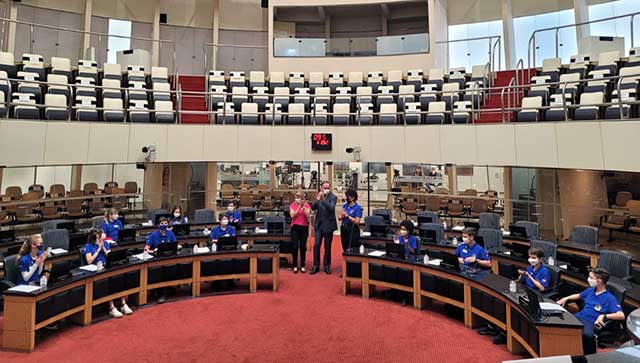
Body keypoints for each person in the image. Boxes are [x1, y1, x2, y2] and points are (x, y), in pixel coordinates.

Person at [557, 268, 625, 354]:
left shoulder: (609, 298)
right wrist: (565, 299)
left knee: (587, 336)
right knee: (560, 324)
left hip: (590, 322)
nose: (588, 279)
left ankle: (589, 356)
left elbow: (621, 315)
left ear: (599, 281)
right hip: (579, 316)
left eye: (591, 278)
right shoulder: (590, 290)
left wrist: (604, 316)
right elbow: (578, 295)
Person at [84, 228, 132, 318]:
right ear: (96, 236)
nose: (103, 234)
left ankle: (123, 304)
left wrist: (104, 248)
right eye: (101, 233)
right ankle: (112, 308)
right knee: (109, 281)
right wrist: (98, 249)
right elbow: (89, 261)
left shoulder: (105, 243)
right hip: (96, 269)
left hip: (107, 267)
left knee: (119, 277)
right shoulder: (88, 246)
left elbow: (110, 256)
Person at [144, 217, 177, 303]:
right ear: (158, 225)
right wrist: (153, 251)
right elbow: (146, 249)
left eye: (165, 223)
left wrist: (178, 246)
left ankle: (166, 288)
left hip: (168, 257)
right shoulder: (153, 235)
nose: (164, 225)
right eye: (162, 223)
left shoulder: (170, 233)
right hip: (157, 260)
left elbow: (175, 244)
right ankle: (160, 292)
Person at [310, 181, 337, 275]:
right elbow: (313, 208)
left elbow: (331, 208)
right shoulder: (319, 196)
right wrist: (317, 200)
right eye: (324, 188)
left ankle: (326, 266)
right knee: (316, 245)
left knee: (327, 246)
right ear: (321, 188)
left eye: (327, 188)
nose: (326, 189)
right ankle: (316, 265)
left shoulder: (333, 197)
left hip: (328, 225)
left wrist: (323, 200)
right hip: (319, 225)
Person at [289, 191, 310, 273]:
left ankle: (302, 265)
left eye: (299, 198)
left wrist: (303, 208)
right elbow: (292, 215)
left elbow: (307, 215)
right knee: (294, 246)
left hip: (304, 227)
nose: (297, 199)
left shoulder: (307, 205)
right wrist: (298, 207)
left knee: (302, 246)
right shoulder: (292, 205)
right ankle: (294, 265)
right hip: (295, 227)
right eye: (296, 198)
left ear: (302, 198)